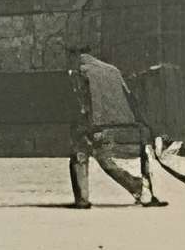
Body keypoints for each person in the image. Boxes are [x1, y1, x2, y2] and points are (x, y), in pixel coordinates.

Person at [68, 46, 164, 208]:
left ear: (75, 55)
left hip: (99, 127)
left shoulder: (80, 72)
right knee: (104, 156)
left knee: (80, 152)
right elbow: (130, 97)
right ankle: (139, 188)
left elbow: (83, 104)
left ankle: (82, 199)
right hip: (128, 127)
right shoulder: (113, 70)